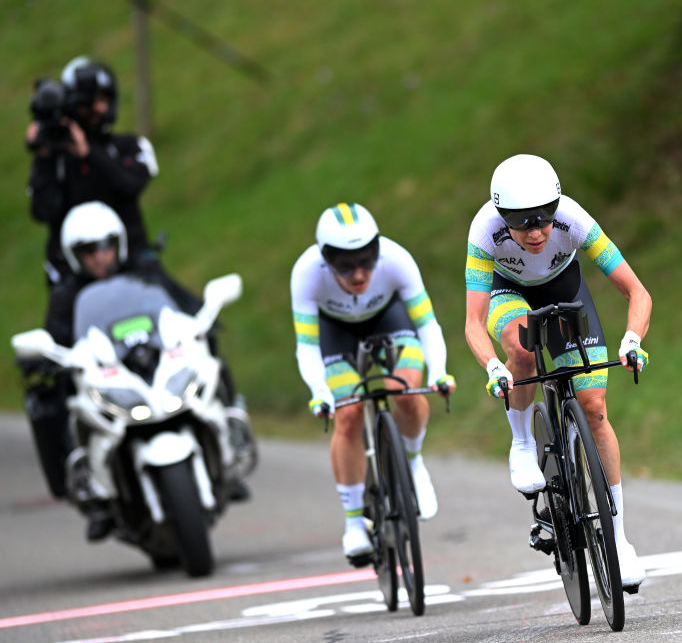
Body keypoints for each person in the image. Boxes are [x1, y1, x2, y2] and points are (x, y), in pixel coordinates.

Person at [463, 153, 652, 588]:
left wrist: (632, 340)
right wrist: (493, 365)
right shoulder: (484, 231)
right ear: (501, 217)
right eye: (522, 224)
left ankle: (619, 541)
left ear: (556, 208)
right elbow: (474, 323)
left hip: (565, 286)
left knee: (595, 409)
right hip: (507, 292)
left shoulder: (573, 219)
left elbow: (636, 291)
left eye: (543, 221)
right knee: (524, 348)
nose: (535, 233)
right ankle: (523, 441)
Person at [31, 202, 254, 540]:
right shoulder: (67, 294)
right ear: (75, 256)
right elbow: (56, 338)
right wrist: (47, 356)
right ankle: (93, 490)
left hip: (152, 363)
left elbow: (181, 303)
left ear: (118, 244)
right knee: (62, 397)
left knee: (211, 360)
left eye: (106, 246)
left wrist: (201, 318)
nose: (99, 257)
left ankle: (228, 442)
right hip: (105, 374)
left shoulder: (144, 272)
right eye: (88, 251)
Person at [290, 202, 456, 561]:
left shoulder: (396, 259)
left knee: (406, 391)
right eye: (345, 266)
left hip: (388, 321)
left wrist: (439, 370)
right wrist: (320, 393)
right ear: (324, 259)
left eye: (367, 260)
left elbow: (427, 325)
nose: (358, 274)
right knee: (347, 416)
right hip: (336, 334)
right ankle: (353, 523)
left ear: (378, 250)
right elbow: (306, 348)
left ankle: (412, 462)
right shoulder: (306, 273)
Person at [26, 56, 159, 285]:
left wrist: (90, 154)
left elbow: (131, 184)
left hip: (135, 271)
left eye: (103, 99)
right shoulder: (55, 160)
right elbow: (43, 211)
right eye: (87, 104)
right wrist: (43, 159)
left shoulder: (127, 146)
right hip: (74, 282)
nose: (98, 108)